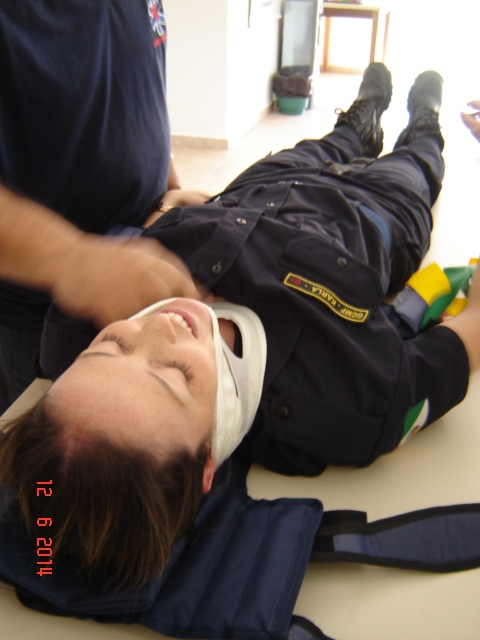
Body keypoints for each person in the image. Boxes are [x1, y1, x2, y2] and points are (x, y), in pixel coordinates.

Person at [1, 64, 478, 592]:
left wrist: (166, 212)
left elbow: (46, 498)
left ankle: (362, 117)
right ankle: (424, 121)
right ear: (207, 465)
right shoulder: (350, 404)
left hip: (260, 188)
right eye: (175, 373)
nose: (159, 327)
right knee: (417, 162)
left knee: (336, 139)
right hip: (375, 212)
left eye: (111, 344)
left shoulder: (73, 322)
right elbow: (454, 351)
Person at [0, 0, 209, 413]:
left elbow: (136, 80)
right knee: (53, 453)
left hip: (141, 254)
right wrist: (73, 259)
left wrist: (167, 188)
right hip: (41, 315)